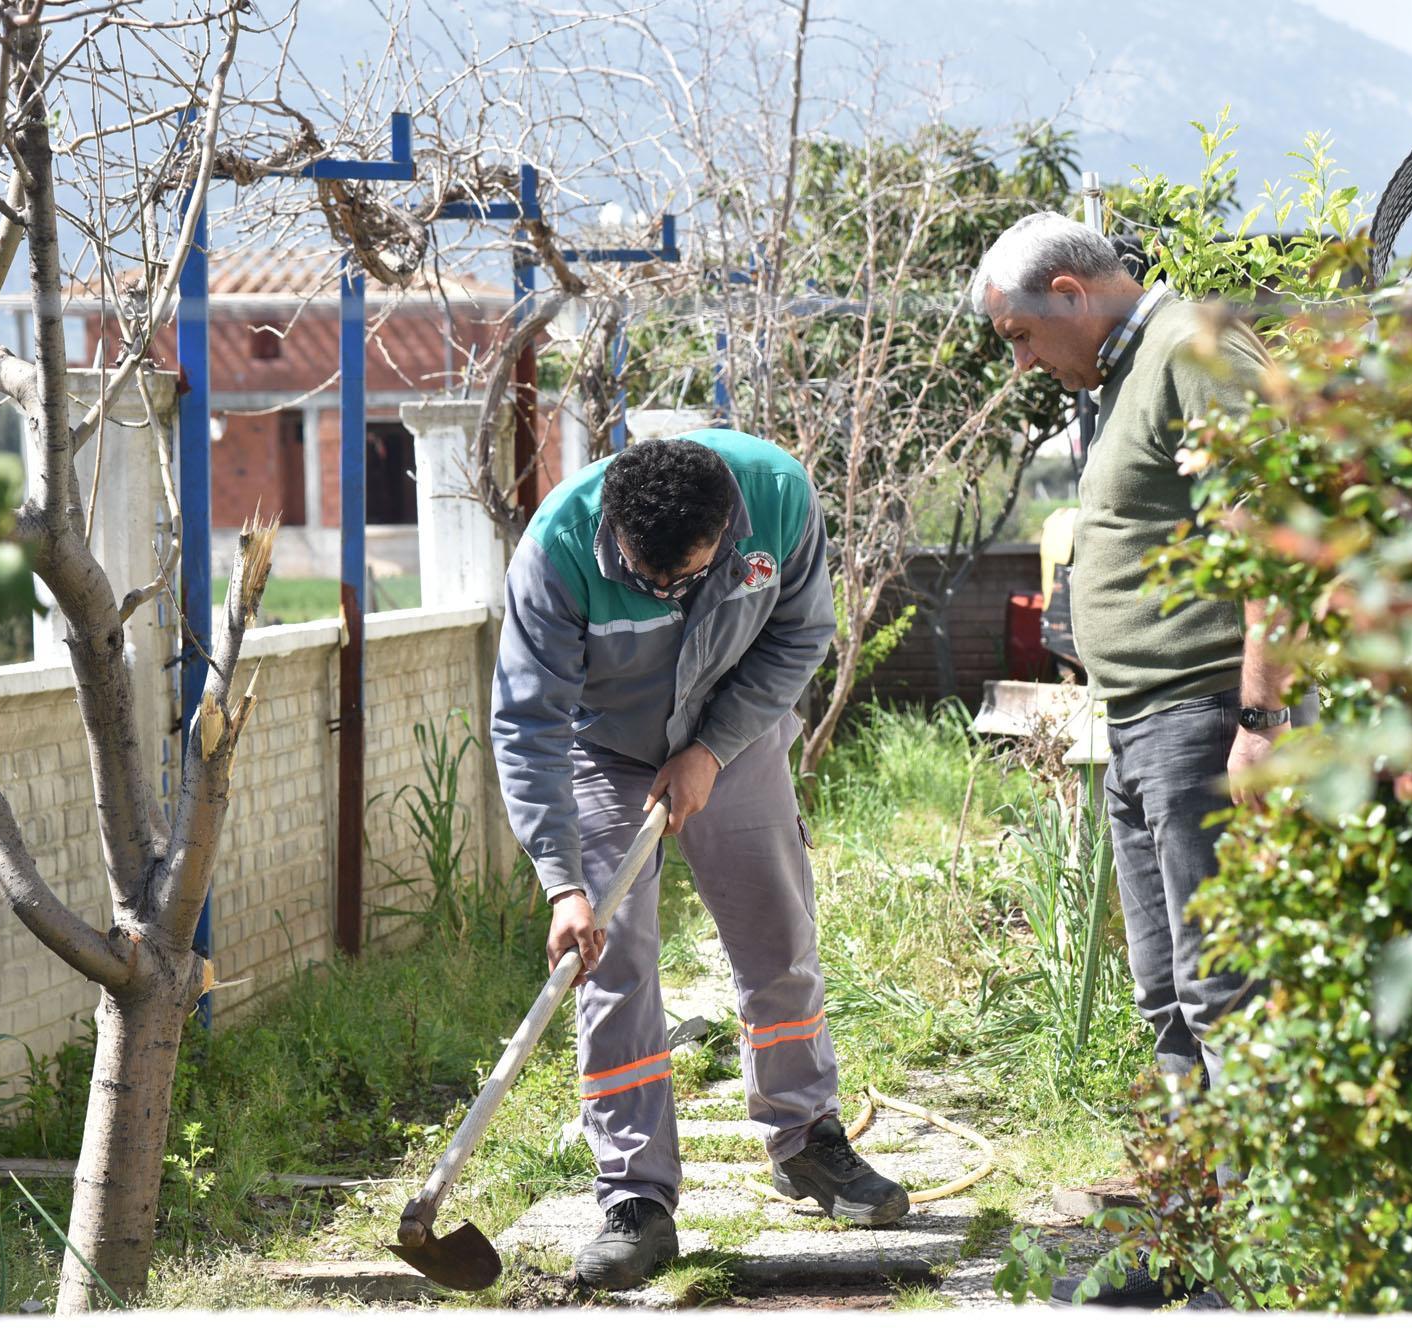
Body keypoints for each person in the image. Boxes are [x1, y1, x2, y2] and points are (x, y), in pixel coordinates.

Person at [969, 213, 1306, 1308]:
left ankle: (1264, 1255)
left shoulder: (1193, 350)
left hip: (1206, 718)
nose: (1018, 363)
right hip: (1138, 719)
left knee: (1224, 989)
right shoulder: (1119, 374)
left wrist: (1262, 722)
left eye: (1020, 336)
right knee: (1165, 991)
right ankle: (1187, 1228)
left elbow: (1274, 533)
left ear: (1069, 293)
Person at [491, 432, 909, 1291]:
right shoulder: (559, 549)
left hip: (735, 734)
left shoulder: (780, 499)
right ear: (616, 533)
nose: (668, 591)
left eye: (689, 576)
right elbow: (528, 724)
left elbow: (800, 636)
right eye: (651, 582)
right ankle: (636, 1196)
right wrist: (564, 884)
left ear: (728, 527)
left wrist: (712, 748)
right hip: (605, 750)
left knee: (776, 932)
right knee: (612, 962)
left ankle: (807, 1140)